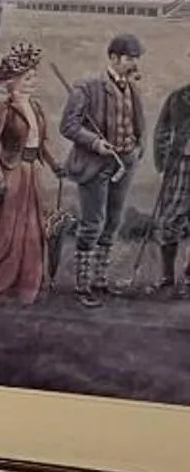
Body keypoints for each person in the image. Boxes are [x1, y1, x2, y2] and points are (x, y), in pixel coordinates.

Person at [61, 34, 149, 307]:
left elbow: (138, 124)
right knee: (93, 224)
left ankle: (100, 280)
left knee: (112, 222)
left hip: (124, 164)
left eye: (136, 58)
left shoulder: (132, 89)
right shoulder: (87, 86)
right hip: (94, 165)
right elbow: (68, 125)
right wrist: (95, 142)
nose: (134, 63)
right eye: (129, 58)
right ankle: (82, 286)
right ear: (113, 57)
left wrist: (136, 148)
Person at [0, 45, 58, 304]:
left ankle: (25, 285)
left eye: (34, 77)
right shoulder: (1, 109)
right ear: (14, 80)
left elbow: (42, 143)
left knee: (30, 231)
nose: (33, 82)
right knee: (4, 232)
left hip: (31, 175)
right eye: (28, 78)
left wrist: (54, 165)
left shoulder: (37, 107)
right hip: (9, 174)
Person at [156, 71, 190, 294]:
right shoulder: (178, 97)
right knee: (169, 220)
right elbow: (162, 130)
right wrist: (162, 162)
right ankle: (167, 276)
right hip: (182, 165)